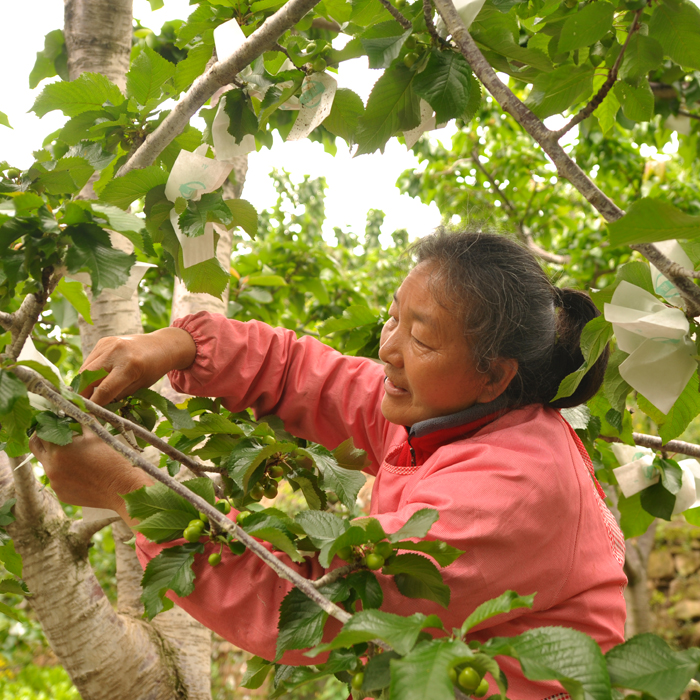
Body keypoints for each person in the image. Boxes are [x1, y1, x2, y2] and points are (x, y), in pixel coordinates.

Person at [31, 229, 626, 700]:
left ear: (494, 374)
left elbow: (318, 600)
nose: (386, 348)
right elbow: (309, 376)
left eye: (421, 339)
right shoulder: (452, 409)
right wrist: (181, 344)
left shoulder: (515, 484)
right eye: (394, 317)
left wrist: (127, 491)